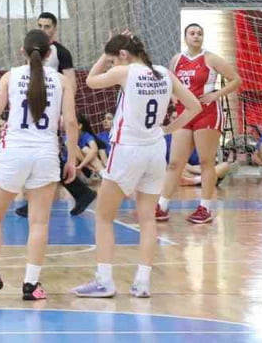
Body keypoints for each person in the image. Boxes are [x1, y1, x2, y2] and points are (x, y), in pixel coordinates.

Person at [72, 33, 201, 299]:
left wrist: (104, 55)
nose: (110, 65)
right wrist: (168, 129)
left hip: (127, 149)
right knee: (147, 218)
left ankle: (104, 280)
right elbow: (194, 106)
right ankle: (142, 283)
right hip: (155, 149)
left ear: (122, 55)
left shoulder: (126, 72)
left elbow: (90, 81)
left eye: (112, 60)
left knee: (104, 217)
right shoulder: (165, 73)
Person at [0, 29, 80, 301]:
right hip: (46, 155)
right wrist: (72, 159)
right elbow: (71, 123)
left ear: (22, 51)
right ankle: (31, 284)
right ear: (50, 53)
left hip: (14, 153)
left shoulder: (10, 77)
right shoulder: (63, 81)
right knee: (39, 223)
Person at [156, 23, 242, 225]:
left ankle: (205, 208)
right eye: (192, 33)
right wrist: (174, 96)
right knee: (175, 163)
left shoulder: (210, 58)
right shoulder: (177, 59)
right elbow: (172, 83)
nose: (196, 36)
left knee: (206, 162)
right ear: (185, 37)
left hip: (208, 113)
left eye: (199, 33)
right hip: (184, 114)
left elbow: (236, 80)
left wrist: (217, 94)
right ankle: (162, 206)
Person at [15, 12, 96, 217]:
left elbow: (71, 85)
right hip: (34, 110)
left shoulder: (61, 53)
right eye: (40, 25)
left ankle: (43, 200)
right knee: (46, 156)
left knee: (46, 155)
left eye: (47, 26)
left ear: (55, 29)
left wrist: (63, 113)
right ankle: (81, 193)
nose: (43, 29)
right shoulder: (32, 50)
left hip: (52, 112)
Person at [76, 116, 102, 181]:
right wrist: (87, 166)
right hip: (73, 168)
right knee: (75, 150)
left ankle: (103, 173)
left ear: (79, 126)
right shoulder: (67, 137)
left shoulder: (86, 135)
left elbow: (94, 150)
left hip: (84, 167)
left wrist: (82, 165)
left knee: (86, 150)